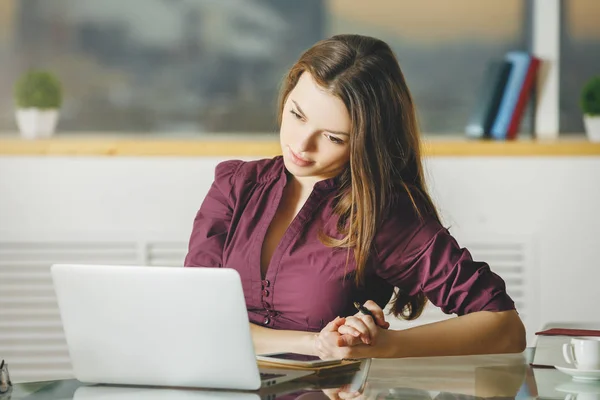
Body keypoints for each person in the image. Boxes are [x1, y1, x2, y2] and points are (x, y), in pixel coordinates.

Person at [184, 34, 526, 359]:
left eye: (333, 137)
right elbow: (196, 318)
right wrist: (315, 343)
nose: (302, 145)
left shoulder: (385, 213)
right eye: (297, 115)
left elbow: (506, 328)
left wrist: (386, 345)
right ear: (287, 95)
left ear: (366, 142)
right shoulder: (235, 185)